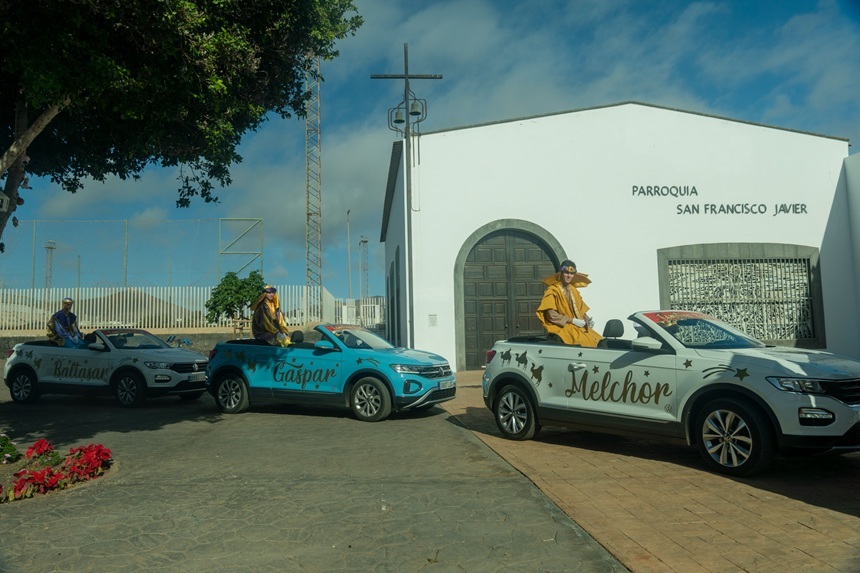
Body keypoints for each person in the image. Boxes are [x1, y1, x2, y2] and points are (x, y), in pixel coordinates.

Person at [536, 259, 603, 347]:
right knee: (584, 342)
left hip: (577, 327)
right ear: (561, 273)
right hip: (562, 327)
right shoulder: (552, 290)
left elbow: (581, 311)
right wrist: (573, 321)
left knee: (599, 340)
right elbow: (551, 315)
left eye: (571, 274)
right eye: (566, 273)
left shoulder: (574, 290)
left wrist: (587, 320)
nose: (569, 276)